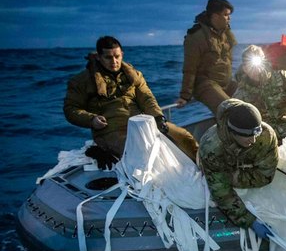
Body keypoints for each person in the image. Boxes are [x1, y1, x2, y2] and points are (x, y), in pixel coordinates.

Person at [63, 36, 198, 166]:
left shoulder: (134, 75)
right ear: (98, 57)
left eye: (117, 56)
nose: (114, 61)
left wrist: (158, 118)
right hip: (109, 130)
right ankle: (99, 150)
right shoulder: (81, 81)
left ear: (122, 54)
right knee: (141, 152)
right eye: (108, 57)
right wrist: (91, 119)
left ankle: (203, 169)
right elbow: (71, 109)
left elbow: (147, 98)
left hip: (141, 123)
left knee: (184, 137)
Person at [197, 98, 278, 237]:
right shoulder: (211, 147)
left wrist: (235, 175)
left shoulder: (266, 135)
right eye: (246, 135)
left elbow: (266, 175)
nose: (252, 140)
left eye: (255, 133)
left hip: (236, 169)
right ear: (233, 132)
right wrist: (249, 221)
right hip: (217, 166)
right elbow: (222, 192)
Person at [175, 0, 238, 113]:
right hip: (205, 84)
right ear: (215, 16)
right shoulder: (196, 36)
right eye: (226, 15)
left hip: (226, 83)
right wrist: (185, 96)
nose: (229, 18)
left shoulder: (226, 34)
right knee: (231, 110)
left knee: (251, 100)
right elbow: (190, 68)